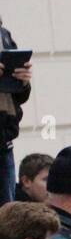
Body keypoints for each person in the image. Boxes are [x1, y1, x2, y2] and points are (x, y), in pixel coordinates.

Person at [0, 15, 33, 205]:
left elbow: (19, 97)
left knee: (7, 216)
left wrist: (23, 81)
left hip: (4, 140)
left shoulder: (4, 36)